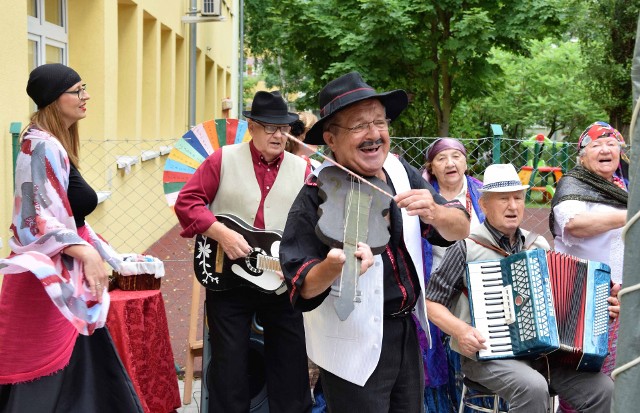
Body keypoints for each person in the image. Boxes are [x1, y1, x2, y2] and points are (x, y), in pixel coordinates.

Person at [279, 71, 470, 412]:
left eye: (380, 122)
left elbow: (460, 228)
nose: (373, 134)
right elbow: (302, 285)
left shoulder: (400, 171)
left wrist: (437, 214)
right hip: (350, 346)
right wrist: (335, 265)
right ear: (331, 140)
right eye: (358, 125)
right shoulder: (313, 194)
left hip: (405, 333)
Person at [0, 64, 143, 412]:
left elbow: (70, 216)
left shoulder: (52, 145)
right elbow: (31, 219)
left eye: (84, 87)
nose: (86, 96)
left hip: (67, 285)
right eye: (77, 90)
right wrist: (86, 253)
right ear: (53, 99)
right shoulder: (39, 148)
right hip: (48, 290)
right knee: (48, 388)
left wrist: (104, 253)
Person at [425, 163, 615, 413]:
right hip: (487, 356)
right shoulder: (465, 248)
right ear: (484, 205)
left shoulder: (538, 247)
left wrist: (601, 311)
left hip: (545, 358)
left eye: (518, 198)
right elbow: (430, 302)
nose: (513, 206)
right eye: (503, 199)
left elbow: (566, 304)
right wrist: (461, 330)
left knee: (604, 389)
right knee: (533, 387)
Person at [174, 90, 313, 413]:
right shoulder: (221, 159)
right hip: (227, 277)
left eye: (285, 128)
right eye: (271, 127)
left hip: (280, 279)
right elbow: (188, 202)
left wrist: (300, 258)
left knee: (291, 364)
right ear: (252, 127)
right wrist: (221, 233)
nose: (279, 135)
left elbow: (310, 225)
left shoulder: (303, 169)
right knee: (229, 367)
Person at [550, 121, 626, 412]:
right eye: (596, 145)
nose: (605, 150)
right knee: (584, 379)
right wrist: (629, 214)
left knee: (619, 376)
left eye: (612, 145)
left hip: (620, 296)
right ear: (582, 156)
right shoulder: (572, 184)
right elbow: (576, 225)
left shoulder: (620, 189)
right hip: (579, 297)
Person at [419, 138, 485, 411]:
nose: (450, 163)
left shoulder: (483, 194)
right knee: (436, 362)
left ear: (466, 162)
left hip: (476, 291)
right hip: (433, 288)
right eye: (442, 158)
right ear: (431, 168)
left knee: (470, 356)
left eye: (456, 156)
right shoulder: (422, 199)